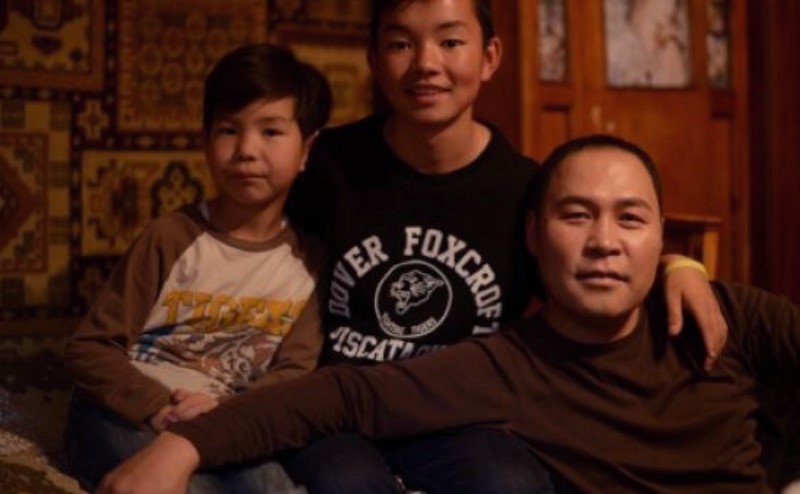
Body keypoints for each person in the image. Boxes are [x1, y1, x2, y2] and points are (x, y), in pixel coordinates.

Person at [97, 134, 800, 494]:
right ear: (534, 236)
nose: (604, 242)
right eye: (576, 215)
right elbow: (344, 396)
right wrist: (184, 447)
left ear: (661, 238)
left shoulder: (727, 314)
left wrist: (687, 269)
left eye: (631, 219)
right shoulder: (508, 367)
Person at [280, 0, 726, 492]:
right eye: (401, 44)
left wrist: (678, 265)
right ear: (373, 58)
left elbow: (592, 270)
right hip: (344, 406)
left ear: (490, 57)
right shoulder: (325, 165)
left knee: (510, 484)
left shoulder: (523, 190)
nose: (426, 62)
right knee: (345, 483)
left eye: (451, 42)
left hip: (466, 413)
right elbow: (249, 238)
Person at [64, 43, 332, 493]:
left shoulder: (311, 260)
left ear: (306, 149)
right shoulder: (170, 236)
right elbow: (89, 348)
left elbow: (292, 373)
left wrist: (223, 416)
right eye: (228, 130)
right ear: (205, 140)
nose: (246, 150)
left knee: (270, 485)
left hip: (227, 420)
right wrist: (157, 407)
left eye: (270, 131)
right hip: (129, 411)